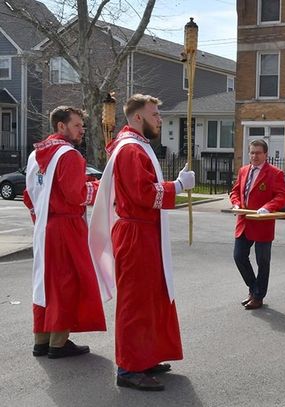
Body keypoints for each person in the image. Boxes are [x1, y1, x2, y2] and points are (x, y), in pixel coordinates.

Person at [89, 94, 195, 391]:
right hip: (136, 233)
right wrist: (178, 185)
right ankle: (129, 367)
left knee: (151, 297)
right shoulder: (130, 149)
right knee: (135, 301)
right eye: (155, 114)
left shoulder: (138, 146)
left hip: (146, 231)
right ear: (138, 118)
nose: (160, 119)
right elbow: (144, 193)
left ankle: (145, 356)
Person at [23, 106, 106, 359]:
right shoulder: (68, 155)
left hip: (44, 224)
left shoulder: (36, 154)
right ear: (62, 126)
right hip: (66, 225)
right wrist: (100, 186)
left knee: (44, 283)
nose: (82, 130)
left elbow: (29, 195)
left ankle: (42, 339)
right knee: (66, 282)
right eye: (77, 125)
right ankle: (58, 343)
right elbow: (77, 194)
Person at [230, 139, 285, 310]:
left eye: (258, 153)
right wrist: (236, 203)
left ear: (265, 154)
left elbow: (282, 196)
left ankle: (258, 296)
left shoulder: (274, 173)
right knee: (239, 256)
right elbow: (235, 191)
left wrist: (268, 207)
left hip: (262, 223)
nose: (254, 156)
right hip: (244, 221)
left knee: (263, 261)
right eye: (252, 152)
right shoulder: (243, 171)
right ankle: (254, 289)